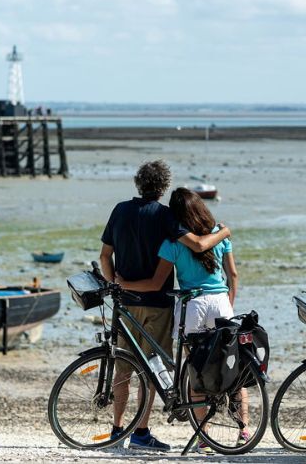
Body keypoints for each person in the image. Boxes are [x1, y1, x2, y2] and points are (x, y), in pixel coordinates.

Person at [99, 161, 231, 452]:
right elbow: (197, 245)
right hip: (158, 304)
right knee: (150, 370)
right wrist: (223, 232)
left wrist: (114, 285)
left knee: (123, 370)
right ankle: (141, 433)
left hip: (126, 305)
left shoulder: (119, 210)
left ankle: (117, 429)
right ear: (163, 187)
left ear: (138, 183)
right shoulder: (166, 216)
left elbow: (105, 256)